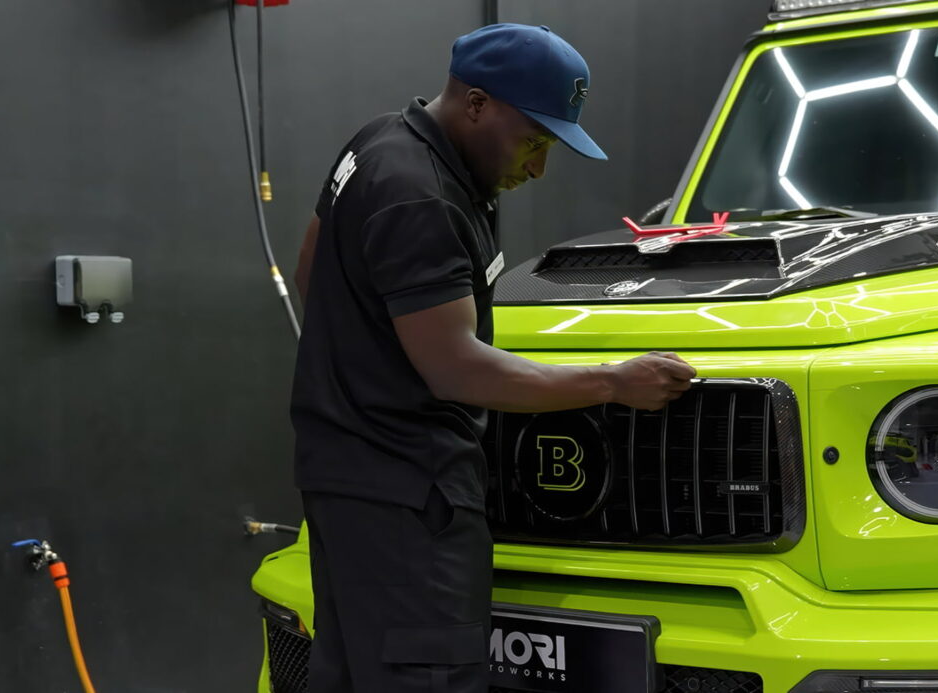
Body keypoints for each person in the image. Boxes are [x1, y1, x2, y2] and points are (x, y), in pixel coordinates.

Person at [290, 23, 696, 693]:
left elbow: (313, 266)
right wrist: (615, 382)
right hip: (410, 500)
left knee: (353, 672)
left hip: (345, 482)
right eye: (533, 142)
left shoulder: (378, 141)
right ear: (477, 104)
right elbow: (457, 369)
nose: (536, 168)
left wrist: (366, 367)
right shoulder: (422, 194)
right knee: (427, 673)